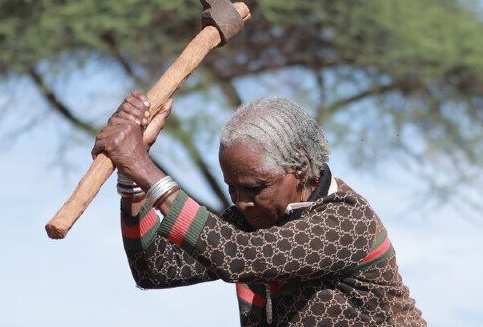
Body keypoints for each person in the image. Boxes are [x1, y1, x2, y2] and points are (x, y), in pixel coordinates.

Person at [93, 92, 426, 326]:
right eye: (231, 187)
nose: (240, 201)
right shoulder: (253, 220)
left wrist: (142, 166)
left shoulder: (345, 221)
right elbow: (156, 269)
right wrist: (132, 179)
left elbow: (239, 256)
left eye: (255, 187)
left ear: (301, 168)